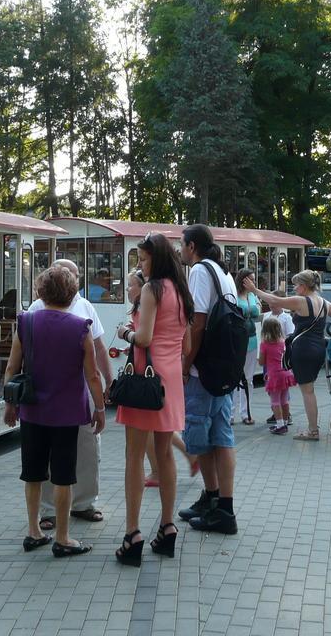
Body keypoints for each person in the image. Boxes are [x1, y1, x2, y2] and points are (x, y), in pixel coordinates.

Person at [3, 266, 105, 558]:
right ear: (72, 292)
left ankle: (34, 531)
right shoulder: (80, 327)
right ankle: (63, 537)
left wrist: (11, 404)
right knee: (64, 475)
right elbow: (92, 375)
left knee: (33, 473)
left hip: (32, 411)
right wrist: (99, 408)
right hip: (68, 413)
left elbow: (12, 367)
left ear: (40, 292)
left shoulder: (26, 323)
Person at [112, 232, 194, 565]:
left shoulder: (151, 290)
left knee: (135, 457)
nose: (140, 265)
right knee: (165, 457)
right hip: (171, 380)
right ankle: (167, 525)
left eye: (143, 259)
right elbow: (186, 347)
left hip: (145, 381)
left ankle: (132, 534)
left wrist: (124, 333)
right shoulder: (181, 292)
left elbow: (143, 337)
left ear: (155, 259)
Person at [31, 259, 114, 531]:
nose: (70, 278)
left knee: (87, 446)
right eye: (65, 274)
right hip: (48, 389)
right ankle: (48, 509)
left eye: (73, 274)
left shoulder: (86, 306)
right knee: (47, 451)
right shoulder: (35, 308)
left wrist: (108, 379)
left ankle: (84, 503)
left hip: (80, 387)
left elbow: (100, 348)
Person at [177, 224, 240, 534]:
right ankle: (218, 502)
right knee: (221, 434)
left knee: (200, 434)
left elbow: (198, 324)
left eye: (182, 244)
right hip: (223, 368)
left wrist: (186, 363)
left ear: (192, 247)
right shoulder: (222, 271)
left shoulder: (200, 271)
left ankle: (218, 503)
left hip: (204, 370)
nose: (179, 250)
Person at [243, 270, 331, 441]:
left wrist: (254, 290)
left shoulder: (301, 301)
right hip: (319, 348)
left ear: (304, 287)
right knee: (309, 390)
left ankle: (313, 431)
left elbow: (275, 300)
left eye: (296, 285)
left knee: (307, 392)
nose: (295, 288)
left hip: (303, 350)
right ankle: (313, 428)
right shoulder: (324, 302)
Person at [233, 268, 262, 425]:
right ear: (243, 280)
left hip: (251, 339)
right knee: (233, 376)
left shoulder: (253, 295)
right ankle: (230, 413)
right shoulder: (234, 295)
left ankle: (245, 412)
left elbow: (257, 313)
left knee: (248, 378)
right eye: (251, 279)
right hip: (237, 340)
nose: (254, 282)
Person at [258, 316, 296, 434]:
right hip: (286, 374)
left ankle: (279, 425)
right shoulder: (283, 342)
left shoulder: (265, 344)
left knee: (275, 401)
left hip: (274, 376)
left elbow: (261, 362)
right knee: (284, 400)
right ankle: (285, 422)